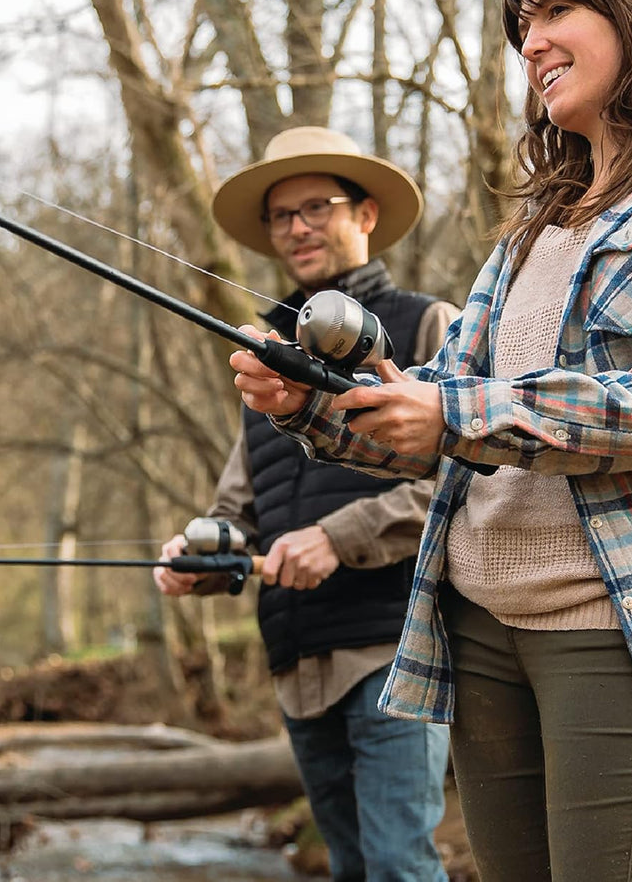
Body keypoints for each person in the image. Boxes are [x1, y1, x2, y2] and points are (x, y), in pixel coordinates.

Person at [228, 0, 632, 882]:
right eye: (521, 28)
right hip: (476, 627)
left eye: (555, 14)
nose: (530, 43)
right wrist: (309, 407)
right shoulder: (540, 220)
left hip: (623, 622)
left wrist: (458, 414)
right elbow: (435, 409)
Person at [154, 126, 457, 882]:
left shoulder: (427, 325)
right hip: (297, 664)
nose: (296, 228)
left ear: (366, 215)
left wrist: (338, 536)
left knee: (399, 867)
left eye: (316, 207)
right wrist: (202, 556)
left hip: (397, 651)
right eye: (281, 216)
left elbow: (470, 481)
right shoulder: (264, 360)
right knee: (348, 868)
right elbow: (239, 510)